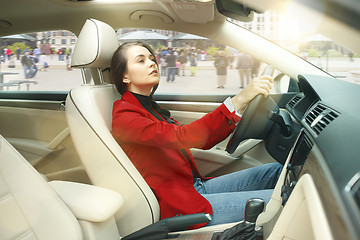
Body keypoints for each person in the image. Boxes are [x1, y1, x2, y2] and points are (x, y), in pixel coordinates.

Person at [110, 41, 282, 229]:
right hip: (181, 204)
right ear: (125, 76)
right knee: (283, 201)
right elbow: (184, 136)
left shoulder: (150, 107)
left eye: (151, 59)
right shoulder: (124, 115)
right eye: (140, 61)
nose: (152, 63)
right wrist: (238, 100)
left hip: (193, 187)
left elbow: (201, 140)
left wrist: (237, 111)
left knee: (276, 172)